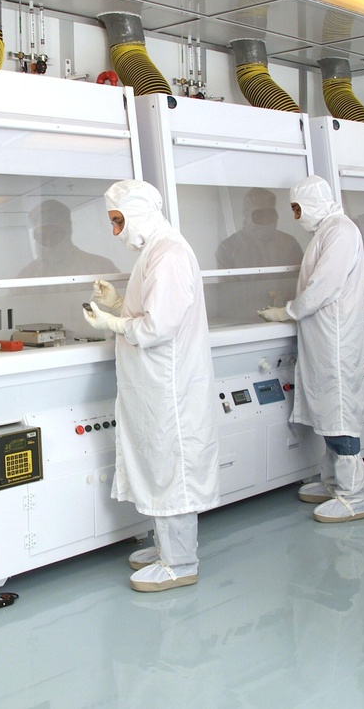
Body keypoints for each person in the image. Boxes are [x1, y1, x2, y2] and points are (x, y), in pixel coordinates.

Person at [82, 179, 220, 592]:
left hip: (169, 383)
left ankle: (180, 562)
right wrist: (117, 304)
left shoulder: (169, 253)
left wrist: (114, 322)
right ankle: (167, 548)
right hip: (155, 382)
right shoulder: (156, 251)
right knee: (159, 463)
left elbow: (159, 325)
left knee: (170, 467)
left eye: (118, 221)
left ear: (138, 213)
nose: (115, 231)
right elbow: (152, 308)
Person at [257, 175, 364, 523]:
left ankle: (354, 496)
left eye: (297, 208)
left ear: (313, 203)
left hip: (336, 339)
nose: (295, 216)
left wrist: (288, 311)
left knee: (339, 412)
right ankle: (335, 483)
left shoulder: (341, 231)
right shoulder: (327, 231)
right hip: (323, 337)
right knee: (329, 411)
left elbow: (324, 285)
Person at [17, 199, 119, 278]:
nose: (49, 242)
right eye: (42, 236)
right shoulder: (27, 276)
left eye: (55, 234)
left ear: (68, 232)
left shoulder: (100, 267)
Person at [215, 188, 304, 269]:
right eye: (259, 214)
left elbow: (301, 276)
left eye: (269, 213)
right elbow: (227, 281)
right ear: (247, 214)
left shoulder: (289, 244)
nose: (265, 218)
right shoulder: (228, 248)